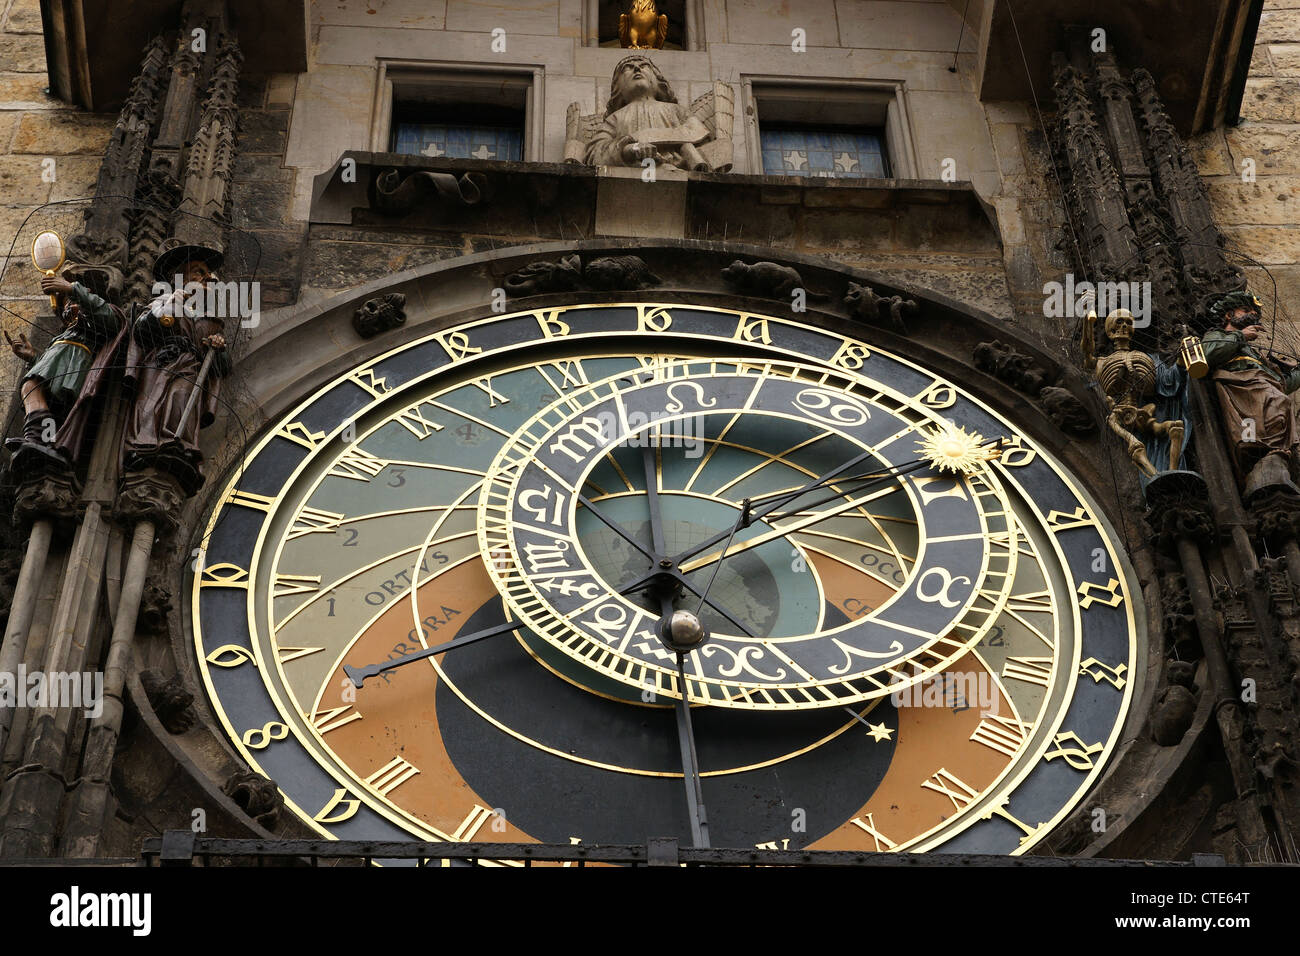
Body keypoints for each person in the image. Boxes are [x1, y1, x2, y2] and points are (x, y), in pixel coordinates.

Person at [122, 243, 230, 494]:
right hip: (160, 364)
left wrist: (218, 347)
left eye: (207, 274)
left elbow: (222, 368)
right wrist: (170, 304)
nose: (207, 278)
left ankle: (178, 443)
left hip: (190, 366)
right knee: (152, 404)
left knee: (182, 400)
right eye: (198, 272)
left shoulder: (209, 319)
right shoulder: (163, 300)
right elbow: (142, 331)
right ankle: (149, 443)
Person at [4, 273, 122, 466]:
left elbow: (110, 320)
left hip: (75, 361)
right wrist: (32, 357)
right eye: (65, 304)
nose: (68, 306)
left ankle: (38, 438)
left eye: (72, 300)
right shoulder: (65, 334)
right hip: (62, 361)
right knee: (45, 400)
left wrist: (72, 288)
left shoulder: (96, 321)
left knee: (31, 387)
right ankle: (45, 441)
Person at [1201, 291, 1300, 497]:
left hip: (1263, 387)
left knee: (1280, 403)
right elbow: (1208, 354)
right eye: (1245, 310)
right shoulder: (1217, 335)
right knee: (1257, 424)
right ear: (1229, 315)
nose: (1251, 314)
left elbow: (1281, 382)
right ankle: (1258, 460)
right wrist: (1240, 336)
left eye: (1254, 312)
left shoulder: (1254, 353)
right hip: (1240, 388)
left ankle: (1274, 456)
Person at [585, 55, 711, 171]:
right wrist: (629, 149)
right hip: (631, 176)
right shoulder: (614, 119)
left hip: (675, 171)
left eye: (644, 66)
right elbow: (595, 154)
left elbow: (701, 140)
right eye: (627, 68)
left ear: (656, 80)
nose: (636, 68)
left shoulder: (677, 110)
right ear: (618, 87)